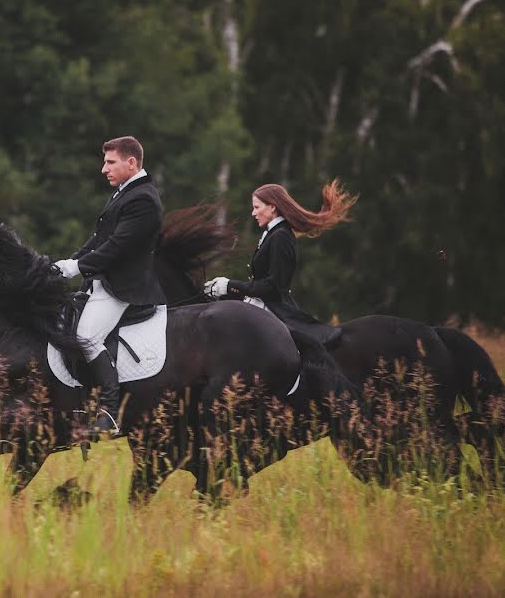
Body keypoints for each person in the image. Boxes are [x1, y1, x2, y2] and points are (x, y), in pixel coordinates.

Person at [54, 136, 166, 437]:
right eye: (104, 162)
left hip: (125, 287)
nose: (104, 169)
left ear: (131, 163)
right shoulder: (124, 193)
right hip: (102, 283)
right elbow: (98, 240)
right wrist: (69, 263)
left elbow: (117, 247)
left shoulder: (143, 198)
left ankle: (110, 413)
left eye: (110, 162)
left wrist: (76, 267)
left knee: (87, 337)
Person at [203, 180, 357, 345]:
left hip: (275, 311)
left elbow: (274, 287)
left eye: (256, 207)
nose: (253, 213)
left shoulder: (280, 236)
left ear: (272, 207)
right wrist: (223, 289)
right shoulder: (272, 234)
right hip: (262, 306)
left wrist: (230, 285)